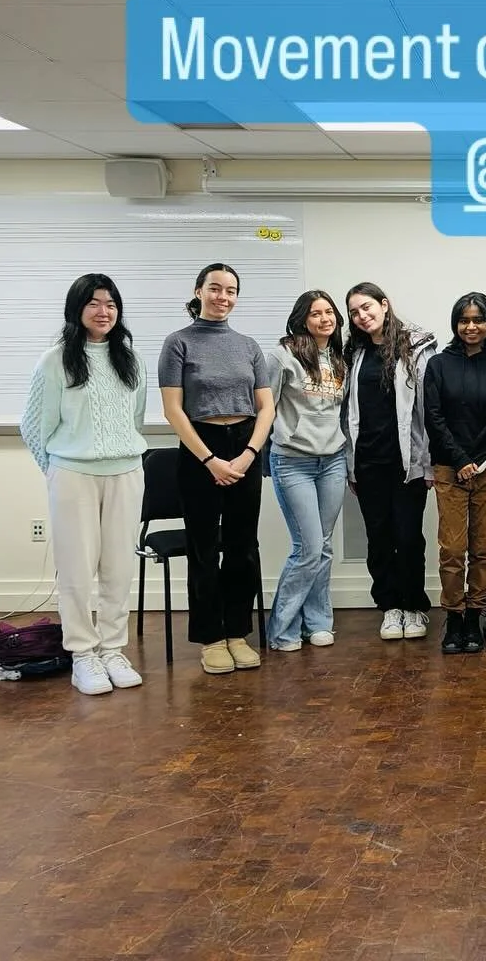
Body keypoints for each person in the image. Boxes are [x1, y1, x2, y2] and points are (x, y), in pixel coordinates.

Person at [19, 273, 148, 695]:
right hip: (73, 474)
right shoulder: (55, 360)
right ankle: (83, 655)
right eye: (94, 303)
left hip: (126, 472)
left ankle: (112, 649)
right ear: (77, 308)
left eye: (111, 304)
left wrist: (119, 453)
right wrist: (57, 471)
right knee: (76, 569)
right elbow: (35, 427)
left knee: (118, 568)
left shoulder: (132, 360)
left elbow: (135, 420)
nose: (103, 311)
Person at [158, 263, 275, 676]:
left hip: (244, 447)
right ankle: (211, 638)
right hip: (198, 451)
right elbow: (173, 410)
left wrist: (246, 455)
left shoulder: (248, 345)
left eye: (230, 290)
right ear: (198, 291)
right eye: (215, 289)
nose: (222, 297)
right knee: (204, 549)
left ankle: (238, 633)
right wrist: (210, 460)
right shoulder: (178, 343)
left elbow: (266, 407)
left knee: (243, 547)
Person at [342, 282, 438, 642]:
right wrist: (351, 463)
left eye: (367, 307)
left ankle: (414, 607)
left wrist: (427, 462)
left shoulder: (416, 349)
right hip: (368, 464)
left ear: (384, 305)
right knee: (379, 539)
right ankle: (390, 607)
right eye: (354, 312)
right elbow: (347, 413)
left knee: (409, 537)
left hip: (407, 463)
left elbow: (429, 410)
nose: (362, 316)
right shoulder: (354, 353)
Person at [424, 292, 486, 655]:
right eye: (464, 320)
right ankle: (454, 616)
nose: (471, 326)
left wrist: (477, 460)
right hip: (449, 469)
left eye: (478, 320)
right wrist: (461, 459)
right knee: (452, 548)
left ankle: (475, 616)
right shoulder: (439, 365)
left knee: (482, 550)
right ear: (455, 324)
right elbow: (434, 416)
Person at [265, 290, 349, 652]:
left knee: (324, 546)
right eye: (316, 313)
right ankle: (282, 629)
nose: (324, 319)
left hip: (332, 460)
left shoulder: (340, 358)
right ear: (302, 319)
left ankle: (318, 623)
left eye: (329, 312)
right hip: (292, 460)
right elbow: (264, 407)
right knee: (308, 547)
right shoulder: (281, 356)